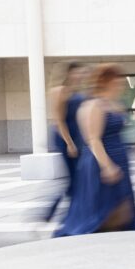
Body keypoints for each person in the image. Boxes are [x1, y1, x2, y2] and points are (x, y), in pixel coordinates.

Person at [56, 64, 135, 236]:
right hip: (102, 161)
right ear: (106, 82)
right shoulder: (94, 105)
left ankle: (117, 238)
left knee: (122, 206)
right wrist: (106, 166)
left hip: (120, 160)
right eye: (117, 82)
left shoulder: (115, 104)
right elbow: (93, 139)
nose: (120, 85)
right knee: (106, 209)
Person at [43, 62, 88, 222]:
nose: (80, 76)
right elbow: (59, 120)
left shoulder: (77, 92)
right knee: (73, 179)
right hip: (66, 137)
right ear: (68, 74)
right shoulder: (59, 91)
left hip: (78, 137)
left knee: (78, 178)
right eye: (77, 73)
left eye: (82, 74)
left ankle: (70, 213)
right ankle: (51, 213)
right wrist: (69, 143)